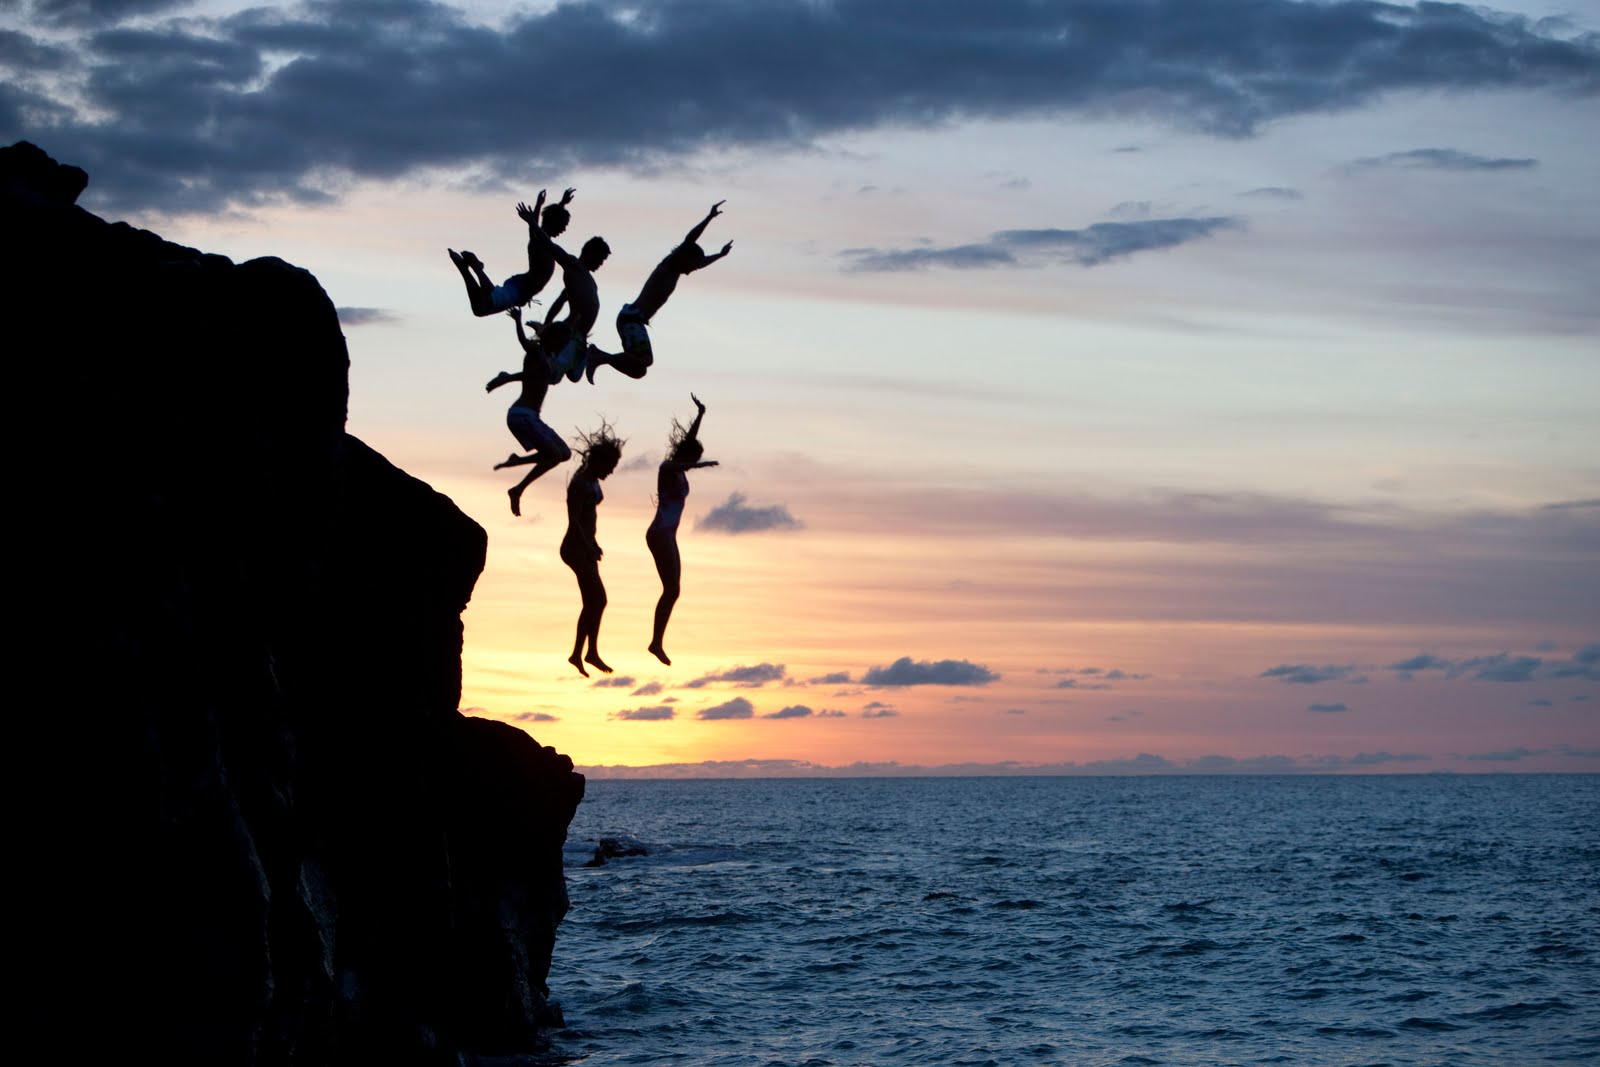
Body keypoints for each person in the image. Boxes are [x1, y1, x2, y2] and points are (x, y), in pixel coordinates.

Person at [586, 201, 732, 383]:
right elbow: (689, 240)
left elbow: (700, 263)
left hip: (634, 320)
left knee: (639, 370)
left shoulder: (677, 271)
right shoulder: (668, 266)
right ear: (684, 257)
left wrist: (720, 255)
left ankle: (599, 355)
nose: (694, 269)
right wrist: (709, 218)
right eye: (692, 265)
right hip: (631, 318)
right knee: (646, 360)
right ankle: (598, 356)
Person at [646, 394, 719, 665]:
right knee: (671, 589)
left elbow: (686, 445)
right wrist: (699, 464)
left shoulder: (678, 470)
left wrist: (700, 415)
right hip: (659, 533)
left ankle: (656, 642)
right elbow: (678, 460)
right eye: (692, 460)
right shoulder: (667, 468)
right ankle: (655, 642)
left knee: (674, 590)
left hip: (668, 535)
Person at [485, 308, 573, 516]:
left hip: (532, 417)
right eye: (562, 342)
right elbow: (527, 357)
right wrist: (518, 320)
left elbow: (541, 365)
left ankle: (516, 461)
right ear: (554, 340)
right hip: (521, 415)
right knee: (552, 455)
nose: (563, 347)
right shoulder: (535, 352)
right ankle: (518, 490)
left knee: (564, 453)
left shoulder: (548, 356)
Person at [447, 188, 576, 317]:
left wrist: (561, 203)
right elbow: (536, 230)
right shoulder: (540, 242)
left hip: (521, 287)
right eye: (563, 224)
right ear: (554, 222)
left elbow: (540, 225)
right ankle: (477, 268)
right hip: (521, 287)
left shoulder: (544, 239)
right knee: (489, 296)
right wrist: (536, 211)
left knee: (480, 309)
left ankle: (464, 269)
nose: (564, 229)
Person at [562, 423, 624, 677]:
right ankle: (588, 653)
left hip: (587, 548)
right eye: (609, 466)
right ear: (599, 461)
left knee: (593, 602)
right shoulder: (579, 483)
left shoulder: (591, 479)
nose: (611, 471)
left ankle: (580, 653)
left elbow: (589, 519)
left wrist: (594, 544)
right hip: (575, 549)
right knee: (598, 599)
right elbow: (574, 519)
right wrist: (588, 546)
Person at [533, 226, 611, 383]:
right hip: (571, 333)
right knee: (552, 376)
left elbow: (561, 300)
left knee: (574, 376)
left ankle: (589, 354)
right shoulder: (573, 265)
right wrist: (533, 224)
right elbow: (551, 247)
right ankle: (550, 354)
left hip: (581, 338)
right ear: (590, 253)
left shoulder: (589, 280)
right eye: (600, 259)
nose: (600, 264)